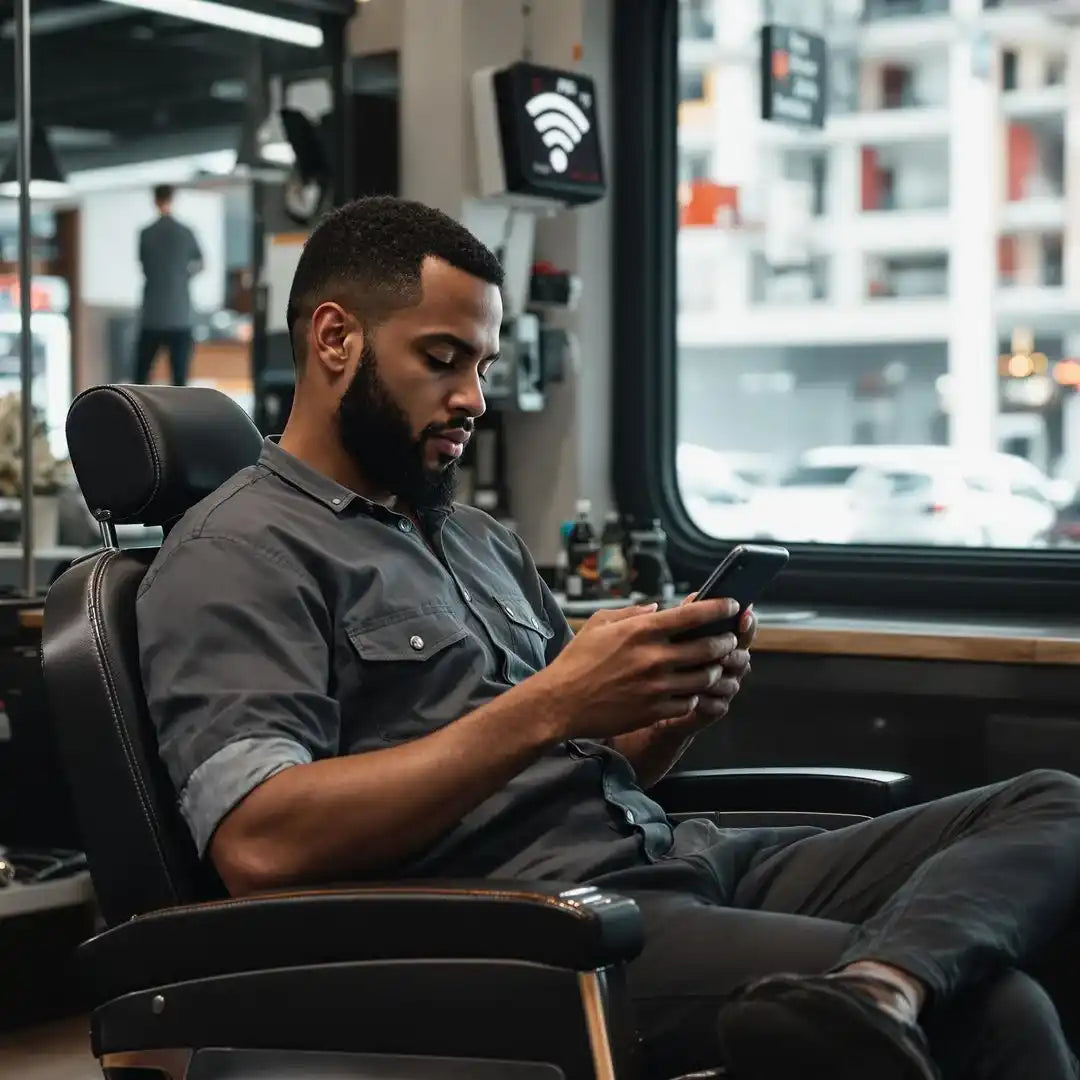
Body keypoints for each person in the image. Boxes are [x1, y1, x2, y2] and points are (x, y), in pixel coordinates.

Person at [136, 196, 1080, 1080]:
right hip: (529, 932)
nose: (473, 397)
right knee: (991, 1008)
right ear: (335, 338)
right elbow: (262, 845)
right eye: (441, 359)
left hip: (676, 863)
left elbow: (581, 759)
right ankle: (896, 989)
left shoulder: (474, 538)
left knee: (1053, 807)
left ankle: (882, 985)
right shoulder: (234, 554)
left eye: (484, 367)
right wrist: (553, 701)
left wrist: (664, 712)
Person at [134, 184, 203, 386]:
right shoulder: (185, 232)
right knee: (180, 379)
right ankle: (179, 417)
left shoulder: (146, 233)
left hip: (152, 313)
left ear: (154, 200)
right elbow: (200, 263)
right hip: (180, 313)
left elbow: (144, 266)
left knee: (141, 376)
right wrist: (183, 277)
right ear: (173, 199)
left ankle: (136, 416)